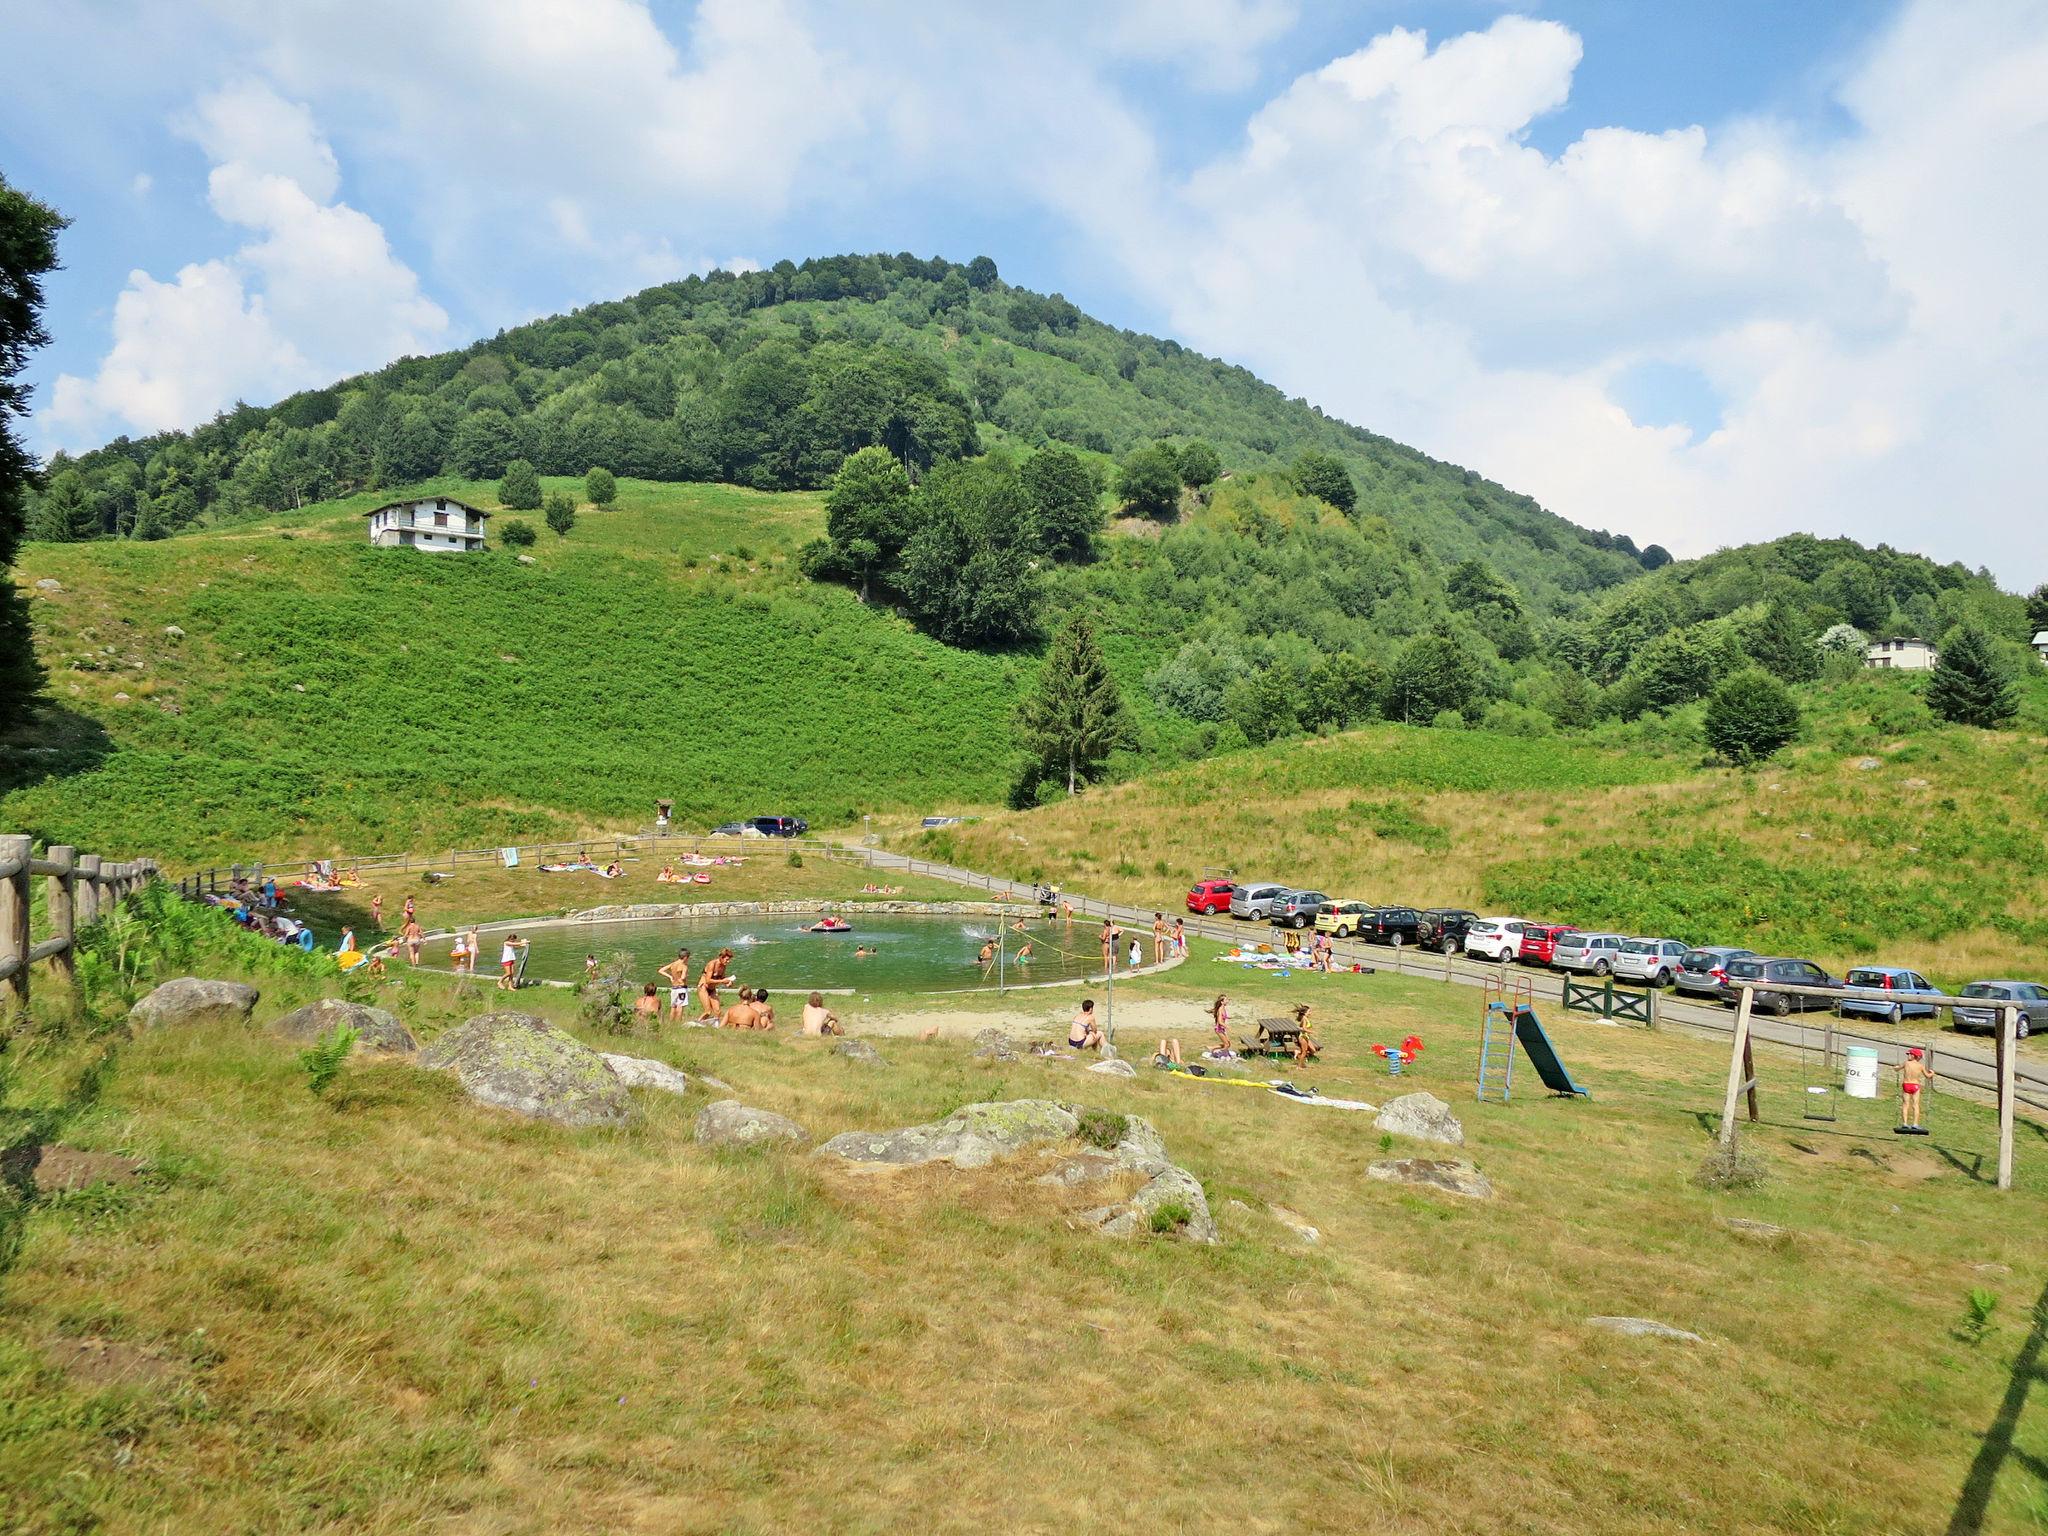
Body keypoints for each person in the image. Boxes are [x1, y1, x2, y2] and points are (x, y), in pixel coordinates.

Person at [1900, 1048, 1934, 1132]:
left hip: (1906, 1084)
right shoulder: (1920, 1066)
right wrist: (1932, 1073)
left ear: (1914, 1056)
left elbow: (1897, 1068)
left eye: (1909, 1054)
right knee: (1915, 1105)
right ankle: (1915, 1124)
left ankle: (1905, 1123)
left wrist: (1895, 1067)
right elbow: (1928, 1076)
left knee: (1905, 1104)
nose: (1908, 1056)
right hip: (1915, 1085)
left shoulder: (1906, 1063)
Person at [699, 948, 734, 1021]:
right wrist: (722, 981)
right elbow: (708, 980)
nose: (728, 961)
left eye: (729, 960)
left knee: (718, 1012)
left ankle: (716, 1026)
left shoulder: (723, 966)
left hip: (712, 989)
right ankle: (696, 1024)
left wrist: (728, 982)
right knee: (708, 1012)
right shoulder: (712, 964)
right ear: (721, 957)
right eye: (727, 959)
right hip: (703, 987)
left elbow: (722, 977)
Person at [660, 949, 692, 1018]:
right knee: (680, 1006)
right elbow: (683, 977)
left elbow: (661, 970)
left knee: (673, 1007)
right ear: (686, 957)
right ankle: (678, 1023)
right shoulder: (684, 966)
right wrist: (685, 976)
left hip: (674, 988)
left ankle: (671, 1023)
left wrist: (670, 976)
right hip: (681, 988)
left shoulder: (673, 964)